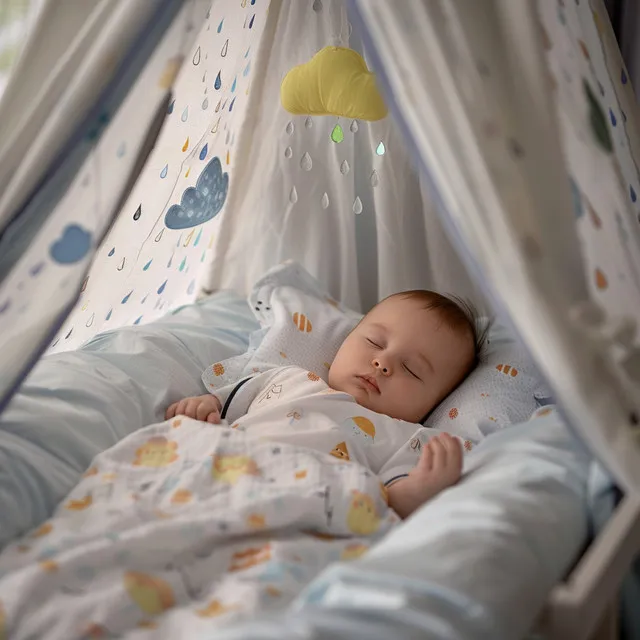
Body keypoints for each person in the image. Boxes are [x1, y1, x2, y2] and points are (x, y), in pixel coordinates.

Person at [167, 290, 483, 518]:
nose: (382, 362)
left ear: (433, 404)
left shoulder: (407, 439)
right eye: (374, 342)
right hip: (224, 476)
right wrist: (203, 409)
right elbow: (223, 405)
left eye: (412, 370)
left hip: (302, 509)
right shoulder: (289, 379)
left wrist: (417, 491)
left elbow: (392, 501)